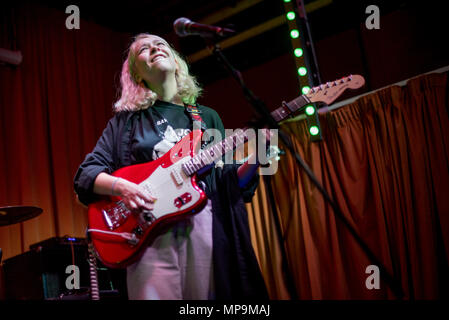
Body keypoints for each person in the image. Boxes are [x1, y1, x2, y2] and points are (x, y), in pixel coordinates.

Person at [74, 33, 268, 300]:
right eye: (144, 49)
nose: (154, 48)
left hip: (199, 224)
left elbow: (228, 183)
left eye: (160, 44)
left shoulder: (206, 117)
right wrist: (124, 187)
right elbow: (87, 173)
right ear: (137, 75)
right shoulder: (125, 124)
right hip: (149, 233)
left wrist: (258, 155)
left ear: (177, 63)